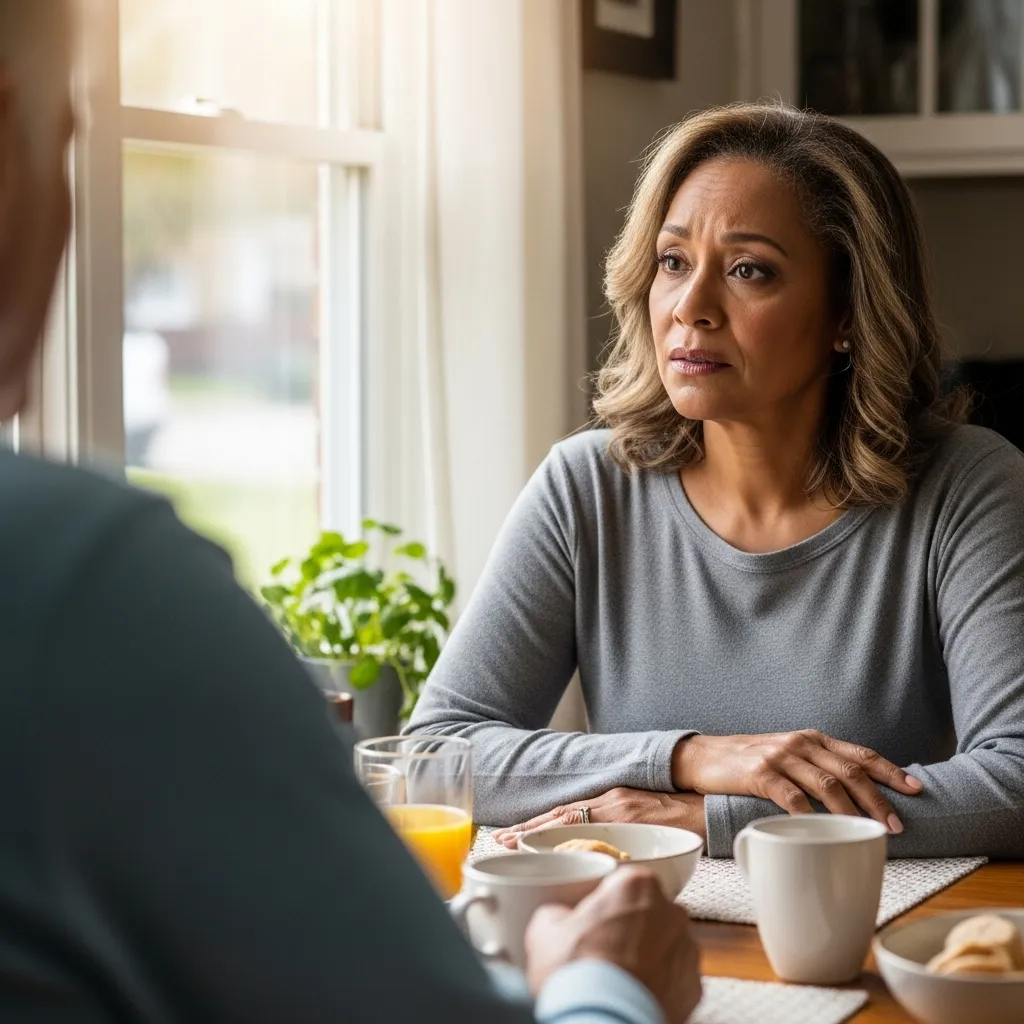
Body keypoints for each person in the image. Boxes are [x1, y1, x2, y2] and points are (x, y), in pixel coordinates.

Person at [0, 4, 703, 1023]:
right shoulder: (82, 583)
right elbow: (447, 736)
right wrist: (610, 985)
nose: (690, 306)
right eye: (68, 144)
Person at [408, 102, 1024, 861]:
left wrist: (711, 818)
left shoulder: (968, 485)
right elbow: (434, 755)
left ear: (846, 313)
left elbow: (1016, 784)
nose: (690, 308)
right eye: (673, 262)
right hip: (639, 929)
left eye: (747, 270)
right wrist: (690, 757)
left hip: (867, 950)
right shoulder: (585, 488)